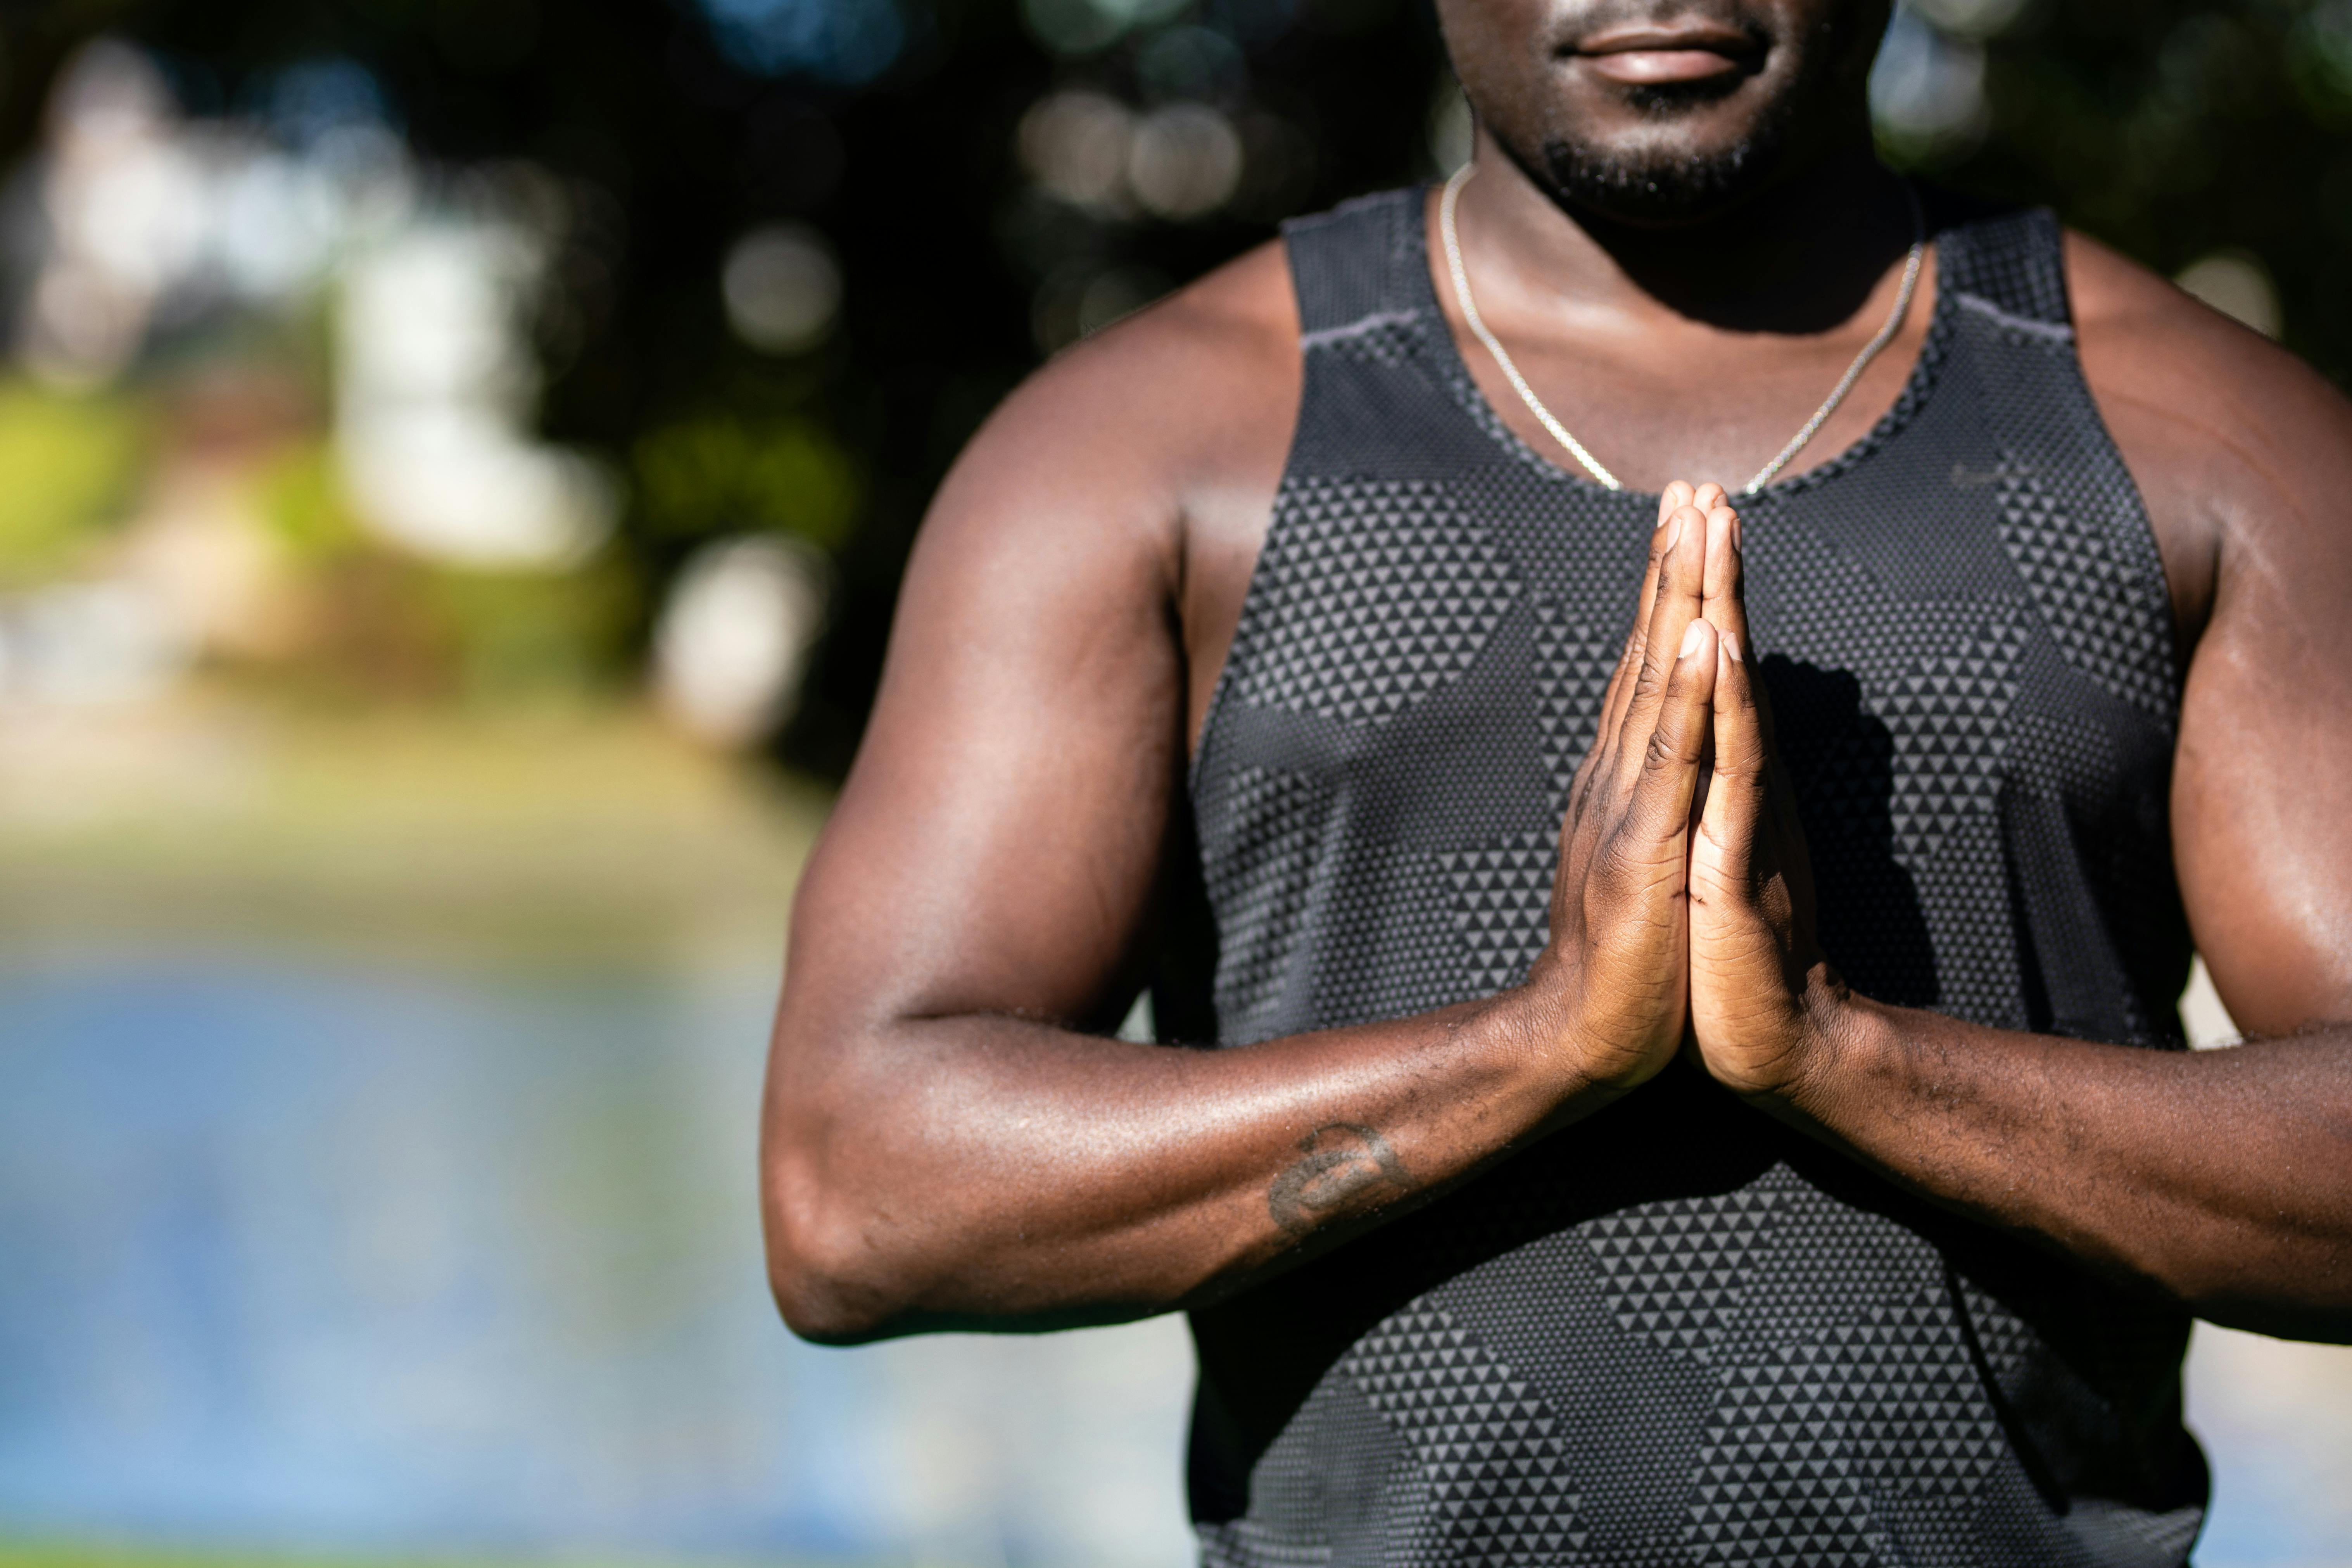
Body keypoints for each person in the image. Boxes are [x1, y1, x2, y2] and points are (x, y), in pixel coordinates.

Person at [758, 0, 2352, 1558]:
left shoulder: (2202, 441)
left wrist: (1844, 1058)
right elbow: (852, 1194)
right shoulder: (1143, 447)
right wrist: (1525, 1055)